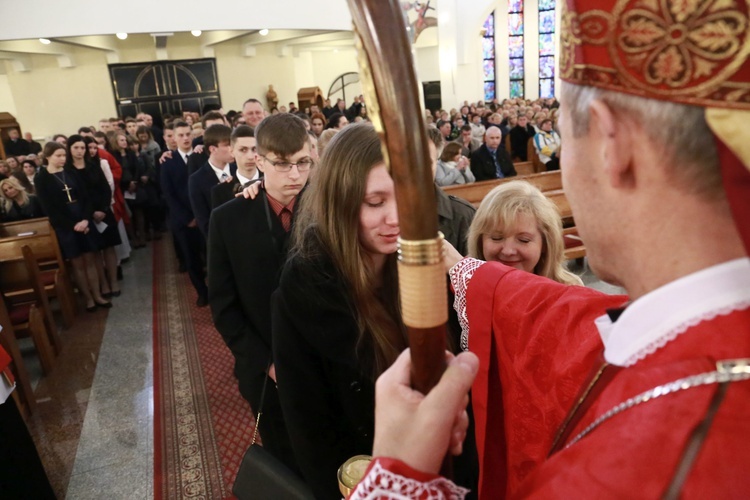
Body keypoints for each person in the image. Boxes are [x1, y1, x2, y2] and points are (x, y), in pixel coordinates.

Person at [348, 0, 750, 497]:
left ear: (611, 140)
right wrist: (470, 272)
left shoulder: (633, 469)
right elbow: (579, 323)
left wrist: (398, 477)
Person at [271, 123, 408, 499]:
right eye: (375, 202)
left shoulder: (424, 266)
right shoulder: (304, 292)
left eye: (403, 197)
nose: (395, 217)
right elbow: (310, 428)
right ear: (341, 202)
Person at [208, 113, 312, 475]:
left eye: (302, 163)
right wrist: (265, 363)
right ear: (259, 161)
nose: (295, 176)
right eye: (282, 165)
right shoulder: (228, 219)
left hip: (328, 361)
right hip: (266, 369)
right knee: (286, 459)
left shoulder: (328, 210)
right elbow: (224, 306)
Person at [35, 142, 112, 312]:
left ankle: (98, 294)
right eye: (58, 156)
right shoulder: (42, 178)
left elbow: (85, 198)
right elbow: (49, 208)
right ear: (48, 157)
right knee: (77, 263)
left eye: (64, 155)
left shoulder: (71, 172)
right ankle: (88, 298)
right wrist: (73, 225)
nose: (63, 159)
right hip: (66, 226)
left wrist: (85, 220)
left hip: (83, 220)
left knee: (90, 260)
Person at [467, 180, 582, 285]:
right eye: (496, 238)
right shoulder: (463, 289)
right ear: (479, 240)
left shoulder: (570, 291)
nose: (508, 251)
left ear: (545, 244)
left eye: (523, 240)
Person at [68, 135, 122, 299]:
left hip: (104, 211)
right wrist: (91, 213)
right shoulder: (68, 171)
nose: (80, 151)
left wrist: (103, 209)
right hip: (86, 215)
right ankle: (103, 284)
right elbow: (79, 196)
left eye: (82, 148)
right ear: (70, 149)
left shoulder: (93, 165)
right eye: (76, 148)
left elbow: (106, 188)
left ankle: (113, 282)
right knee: (95, 251)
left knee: (109, 248)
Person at [188, 124, 235, 237]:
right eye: (228, 145)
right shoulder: (196, 180)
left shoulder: (239, 169)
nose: (233, 149)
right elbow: (203, 220)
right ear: (213, 149)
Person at [210, 125, 260, 209]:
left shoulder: (271, 183)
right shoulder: (220, 191)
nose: (250, 156)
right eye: (243, 150)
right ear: (231, 151)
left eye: (254, 149)